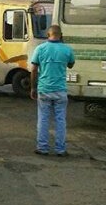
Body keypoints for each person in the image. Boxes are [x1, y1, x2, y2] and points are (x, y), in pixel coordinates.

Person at [30, 25, 75, 157]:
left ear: (48, 35)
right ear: (61, 35)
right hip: (60, 90)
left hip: (44, 89)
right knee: (60, 120)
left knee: (43, 119)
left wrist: (33, 87)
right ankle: (60, 149)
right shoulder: (67, 49)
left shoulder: (40, 49)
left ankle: (42, 148)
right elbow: (71, 64)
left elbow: (33, 69)